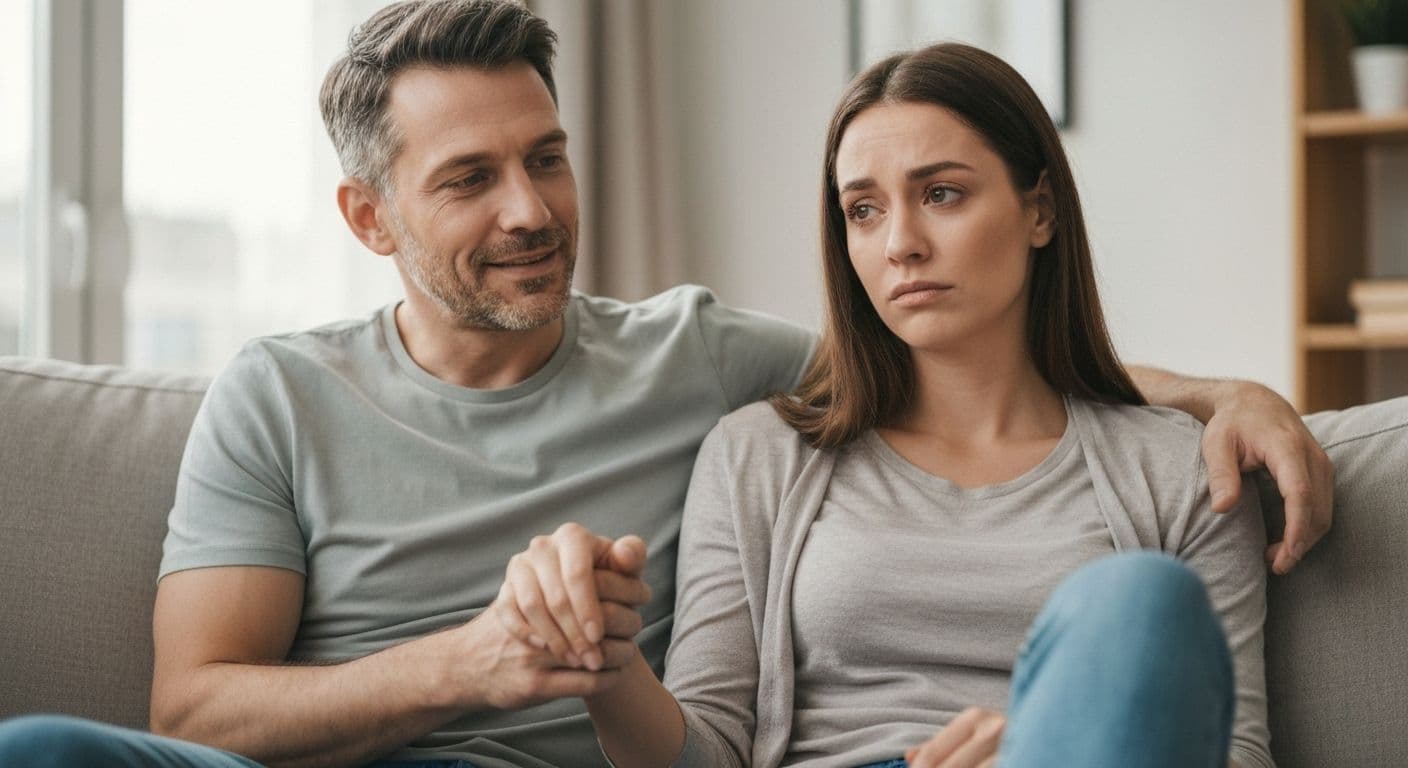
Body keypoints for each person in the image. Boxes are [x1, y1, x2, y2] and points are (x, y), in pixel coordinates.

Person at [0, 3, 1323, 767]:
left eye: (549, 158)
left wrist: (1215, 393)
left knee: (1139, 603)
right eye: (469, 179)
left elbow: (942, 360)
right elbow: (193, 707)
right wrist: (480, 660)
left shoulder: (701, 363)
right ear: (367, 217)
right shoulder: (276, 396)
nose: (531, 210)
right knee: (46, 755)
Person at [501, 43, 1276, 768]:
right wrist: (605, 666)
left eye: (941, 194)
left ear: (1040, 211)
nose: (900, 242)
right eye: (863, 210)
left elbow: (1231, 751)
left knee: (1141, 600)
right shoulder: (759, 453)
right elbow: (708, 750)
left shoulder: (1182, 468)